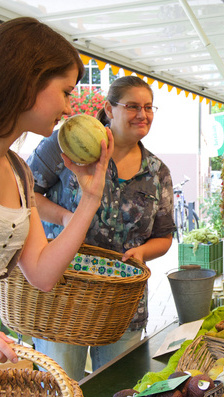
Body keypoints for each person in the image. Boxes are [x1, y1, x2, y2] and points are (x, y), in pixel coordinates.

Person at [27, 76, 175, 380]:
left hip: (122, 305)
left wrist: (143, 251)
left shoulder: (158, 172)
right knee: (62, 388)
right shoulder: (65, 143)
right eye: (132, 106)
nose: (142, 115)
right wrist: (66, 219)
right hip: (63, 295)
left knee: (117, 387)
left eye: (148, 107)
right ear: (108, 108)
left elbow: (164, 237)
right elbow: (25, 193)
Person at [0, 17, 113, 365]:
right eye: (66, 91)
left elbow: (42, 274)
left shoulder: (19, 172)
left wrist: (90, 197)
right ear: (29, 79)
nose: (69, 108)